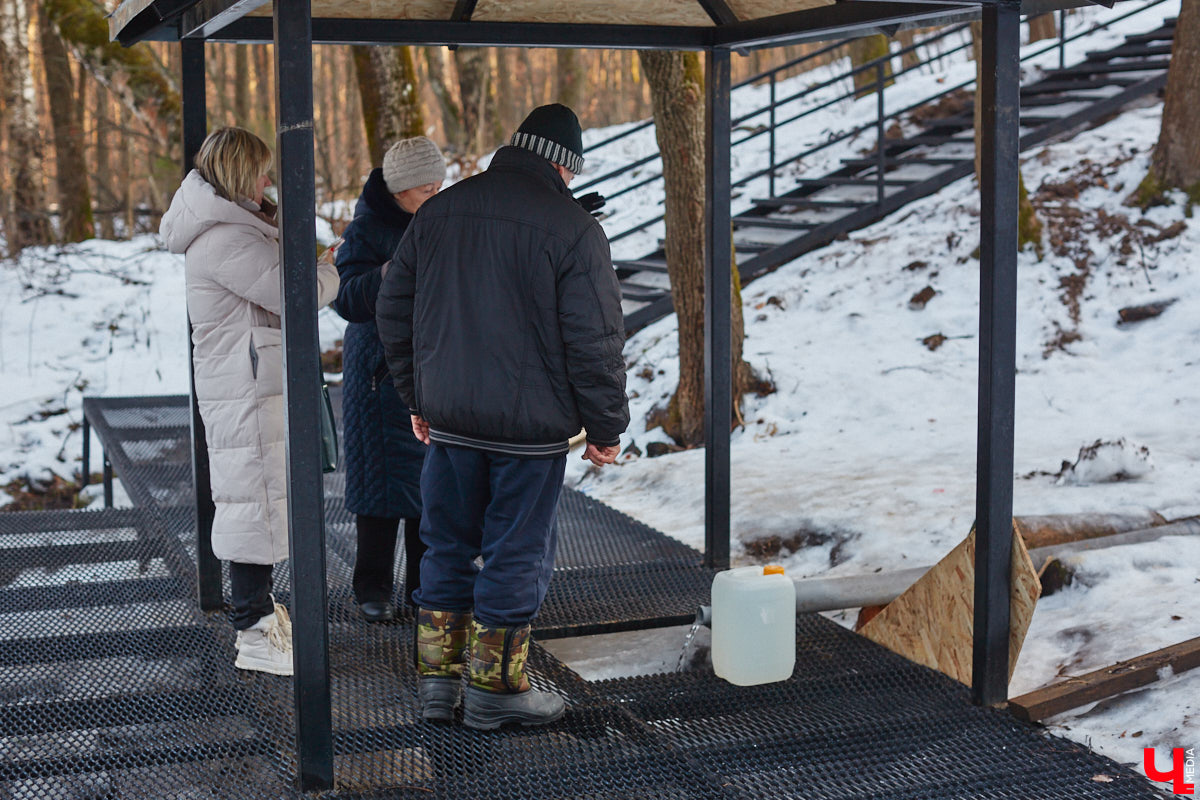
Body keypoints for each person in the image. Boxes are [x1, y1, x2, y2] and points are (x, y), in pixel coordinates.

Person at [376, 104, 629, 730]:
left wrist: (418, 397)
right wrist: (605, 427)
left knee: (446, 546)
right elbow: (594, 340)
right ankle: (495, 689)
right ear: (564, 166)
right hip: (528, 434)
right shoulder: (574, 229)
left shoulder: (439, 211)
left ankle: (438, 685)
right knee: (516, 554)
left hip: (450, 425)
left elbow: (393, 311)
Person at [160, 127, 340, 676]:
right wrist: (332, 267)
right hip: (244, 388)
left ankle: (258, 617)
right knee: (250, 503)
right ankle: (254, 632)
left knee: (256, 498)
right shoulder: (225, 239)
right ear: (240, 175)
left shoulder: (236, 228)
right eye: (261, 173)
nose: (268, 182)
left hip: (249, 382)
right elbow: (295, 293)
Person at [333, 137, 445, 623]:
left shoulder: (441, 221)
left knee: (430, 488)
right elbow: (346, 300)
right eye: (426, 190)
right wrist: (388, 272)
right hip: (377, 374)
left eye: (439, 187)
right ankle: (371, 586)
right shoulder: (365, 230)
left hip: (430, 368)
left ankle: (424, 586)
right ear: (399, 191)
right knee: (378, 486)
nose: (435, 196)